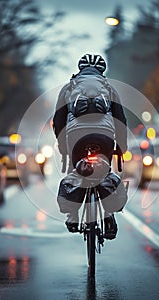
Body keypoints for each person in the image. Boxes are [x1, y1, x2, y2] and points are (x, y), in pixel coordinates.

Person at [53, 54, 127, 239]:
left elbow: (58, 121)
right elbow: (121, 121)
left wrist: (64, 149)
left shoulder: (68, 88)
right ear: (101, 71)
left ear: (80, 70)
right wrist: (120, 147)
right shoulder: (110, 89)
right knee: (104, 170)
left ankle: (72, 215)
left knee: (76, 169)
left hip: (76, 135)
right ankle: (108, 215)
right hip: (105, 134)